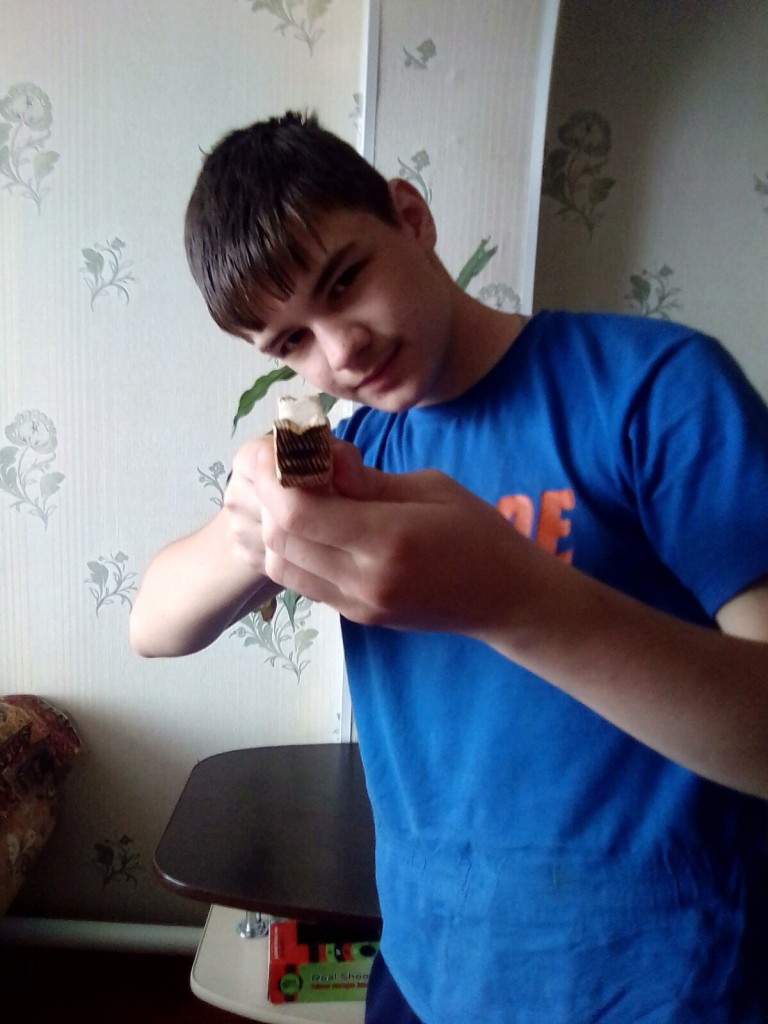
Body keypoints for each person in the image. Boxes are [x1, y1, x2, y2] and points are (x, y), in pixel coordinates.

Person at [130, 111, 768, 1023]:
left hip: (667, 989)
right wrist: (247, 526)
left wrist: (513, 600)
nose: (339, 351)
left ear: (411, 216)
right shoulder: (352, 464)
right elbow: (153, 626)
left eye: (344, 281)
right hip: (428, 981)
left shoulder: (657, 390)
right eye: (291, 343)